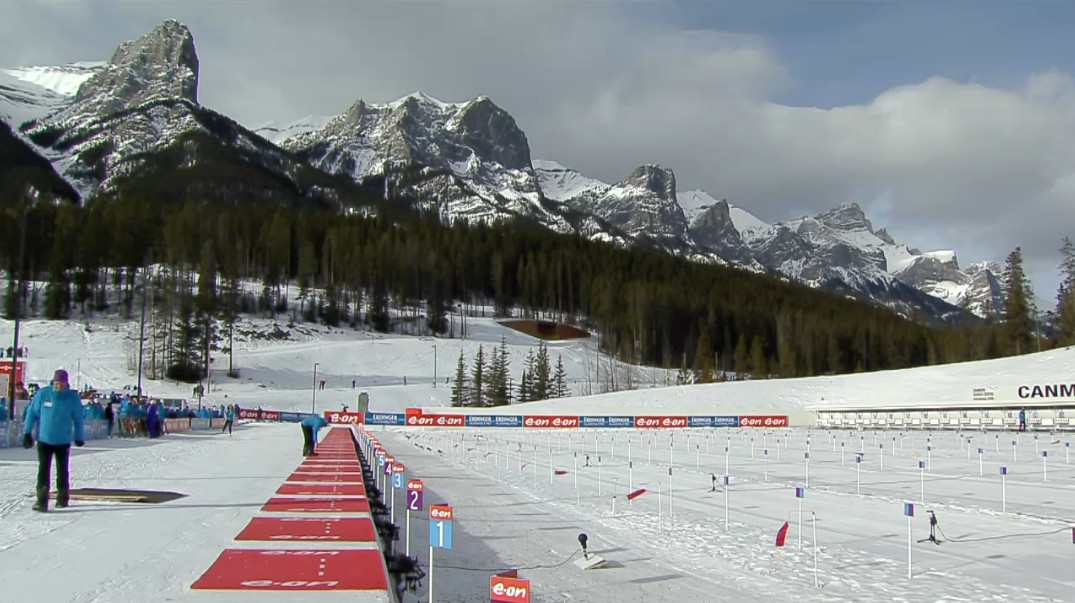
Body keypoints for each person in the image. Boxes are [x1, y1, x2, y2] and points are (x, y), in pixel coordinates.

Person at [23, 369, 85, 512]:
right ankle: (41, 500)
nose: (59, 386)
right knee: (43, 469)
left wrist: (79, 436)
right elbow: (32, 412)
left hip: (63, 441)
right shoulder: (44, 394)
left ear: (66, 383)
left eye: (62, 384)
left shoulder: (72, 398)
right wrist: (27, 432)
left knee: (62, 470)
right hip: (44, 439)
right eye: (57, 383)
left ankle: (62, 498)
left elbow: (78, 419)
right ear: (53, 382)